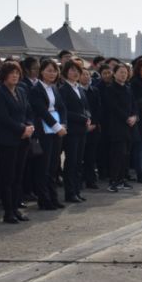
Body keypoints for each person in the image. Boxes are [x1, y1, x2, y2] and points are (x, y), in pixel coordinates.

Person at [0, 61, 34, 224]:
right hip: (7, 140)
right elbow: (2, 117)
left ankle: (16, 208)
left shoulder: (21, 91)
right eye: (11, 72)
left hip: (24, 139)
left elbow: (29, 111)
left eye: (17, 73)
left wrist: (29, 126)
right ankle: (8, 211)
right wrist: (21, 129)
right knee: (7, 177)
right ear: (4, 75)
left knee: (18, 176)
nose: (15, 75)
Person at [29, 58, 68, 210]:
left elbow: (62, 107)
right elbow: (42, 111)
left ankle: (53, 197)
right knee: (43, 167)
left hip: (56, 131)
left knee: (54, 165)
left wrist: (63, 124)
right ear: (41, 72)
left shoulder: (54, 88)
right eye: (49, 70)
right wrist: (57, 126)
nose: (52, 74)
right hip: (44, 131)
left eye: (54, 71)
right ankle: (44, 200)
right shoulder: (36, 89)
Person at [59, 59, 91, 202]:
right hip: (71, 130)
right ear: (66, 72)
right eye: (72, 70)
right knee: (70, 162)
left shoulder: (79, 88)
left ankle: (77, 190)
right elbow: (64, 110)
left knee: (79, 161)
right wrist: (82, 118)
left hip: (82, 130)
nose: (75, 73)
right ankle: (70, 192)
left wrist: (88, 117)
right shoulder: (63, 89)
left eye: (77, 70)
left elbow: (86, 107)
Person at [103, 63, 136, 191]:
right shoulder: (110, 89)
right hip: (116, 127)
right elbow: (113, 107)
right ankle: (113, 181)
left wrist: (134, 116)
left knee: (126, 154)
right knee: (117, 154)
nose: (123, 74)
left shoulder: (128, 88)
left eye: (125, 72)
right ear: (115, 74)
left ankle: (122, 180)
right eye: (121, 72)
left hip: (129, 126)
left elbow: (134, 105)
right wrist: (126, 117)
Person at [80, 67, 102, 189]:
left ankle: (91, 180)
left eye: (88, 74)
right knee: (79, 156)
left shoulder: (95, 90)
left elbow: (99, 109)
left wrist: (94, 123)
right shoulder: (77, 90)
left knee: (91, 156)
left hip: (93, 128)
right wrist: (86, 123)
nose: (86, 77)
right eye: (83, 74)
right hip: (81, 127)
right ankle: (80, 179)